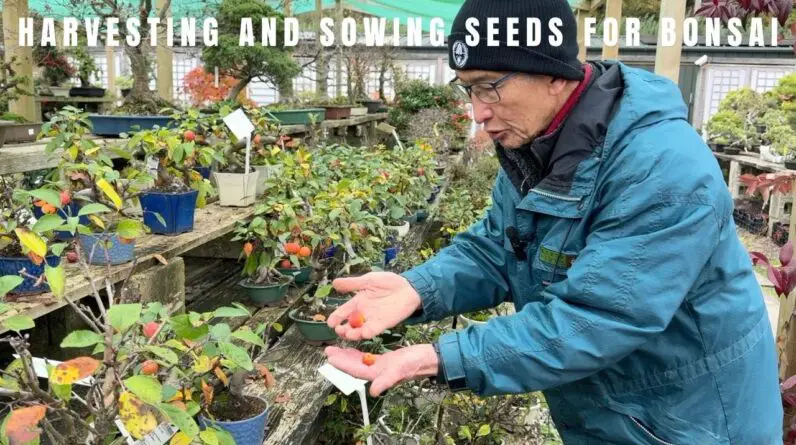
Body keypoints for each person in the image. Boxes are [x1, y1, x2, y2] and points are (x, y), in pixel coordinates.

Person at [324, 0, 783, 443]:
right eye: (468, 89)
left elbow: (597, 317)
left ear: (551, 73)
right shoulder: (538, 146)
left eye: (489, 85)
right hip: (613, 410)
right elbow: (499, 245)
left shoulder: (661, 167)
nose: (478, 112)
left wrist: (435, 357)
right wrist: (417, 288)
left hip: (687, 421)